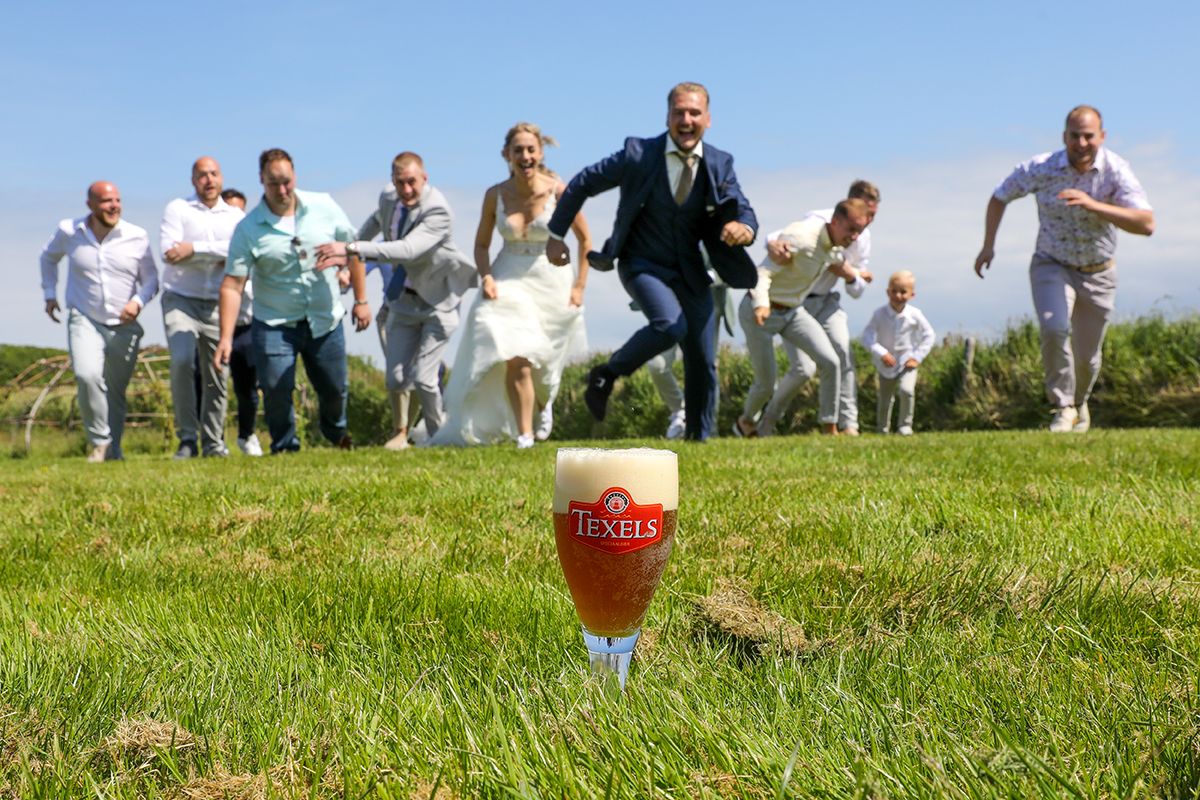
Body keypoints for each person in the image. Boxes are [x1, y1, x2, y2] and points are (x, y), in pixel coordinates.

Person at [546, 82, 758, 441]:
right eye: (679, 113)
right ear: (668, 116)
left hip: (691, 269)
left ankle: (699, 439)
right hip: (642, 264)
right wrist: (555, 235)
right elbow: (582, 182)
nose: (686, 120)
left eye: (694, 113)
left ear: (708, 119)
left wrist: (744, 229)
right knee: (670, 326)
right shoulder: (638, 154)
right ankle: (607, 373)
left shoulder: (720, 163)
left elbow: (741, 206)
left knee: (702, 359)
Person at [974, 105, 1154, 433]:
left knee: (1088, 357)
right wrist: (988, 245)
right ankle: (1062, 407)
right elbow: (999, 196)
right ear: (1064, 137)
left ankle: (1079, 401)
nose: (1082, 143)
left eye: (1089, 136)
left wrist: (1094, 205)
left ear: (1102, 136)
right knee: (1055, 328)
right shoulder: (1042, 168)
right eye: (1075, 136)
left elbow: (1146, 223)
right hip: (1051, 264)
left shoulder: (1115, 170)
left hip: (1098, 271)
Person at [431, 123, 589, 448]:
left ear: (540, 152)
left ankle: (544, 405)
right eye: (518, 150)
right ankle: (524, 435)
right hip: (508, 278)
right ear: (507, 155)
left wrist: (579, 287)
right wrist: (486, 276)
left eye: (531, 149)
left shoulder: (560, 191)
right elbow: (480, 245)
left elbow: (586, 240)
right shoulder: (495, 195)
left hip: (552, 282)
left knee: (545, 364)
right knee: (514, 351)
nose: (525, 156)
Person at [316, 152, 476, 448]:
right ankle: (411, 432)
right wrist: (348, 255)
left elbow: (407, 249)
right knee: (396, 378)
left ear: (424, 178)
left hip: (439, 300)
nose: (406, 190)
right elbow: (375, 222)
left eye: (412, 182)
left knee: (425, 377)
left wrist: (349, 246)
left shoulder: (438, 210)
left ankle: (440, 439)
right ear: (392, 181)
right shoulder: (389, 198)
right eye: (400, 183)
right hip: (403, 301)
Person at [215, 148, 370, 453]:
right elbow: (233, 285)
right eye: (274, 183)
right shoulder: (248, 229)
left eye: (287, 181)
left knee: (334, 390)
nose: (282, 190)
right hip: (274, 323)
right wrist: (225, 337)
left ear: (295, 175)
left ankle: (335, 432)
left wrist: (361, 299)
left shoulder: (324, 206)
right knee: (275, 388)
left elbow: (354, 250)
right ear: (261, 180)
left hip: (325, 318)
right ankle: (285, 446)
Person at [39, 182, 159, 462]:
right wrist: (49, 293)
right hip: (84, 316)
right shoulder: (69, 231)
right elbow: (47, 257)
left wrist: (138, 302)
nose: (114, 206)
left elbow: (152, 279)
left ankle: (113, 449)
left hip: (124, 323)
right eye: (106, 201)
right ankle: (99, 441)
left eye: (117, 200)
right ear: (90, 205)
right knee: (87, 375)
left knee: (115, 390)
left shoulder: (136, 236)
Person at [735, 199, 869, 436]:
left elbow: (836, 260)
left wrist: (858, 274)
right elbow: (762, 273)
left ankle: (830, 427)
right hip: (760, 312)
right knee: (766, 383)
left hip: (793, 312)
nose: (855, 237)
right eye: (851, 230)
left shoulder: (834, 247)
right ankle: (745, 422)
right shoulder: (801, 237)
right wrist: (761, 305)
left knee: (831, 362)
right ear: (835, 222)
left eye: (859, 231)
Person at [159, 157, 245, 458]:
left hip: (218, 302)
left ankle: (212, 442)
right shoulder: (177, 209)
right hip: (180, 298)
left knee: (217, 371)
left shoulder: (235, 216)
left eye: (213, 174)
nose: (208, 180)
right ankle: (187, 438)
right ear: (193, 180)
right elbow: (169, 253)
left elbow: (239, 254)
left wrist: (193, 248)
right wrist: (217, 252)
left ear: (221, 178)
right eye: (202, 175)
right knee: (182, 360)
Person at [861, 270, 935, 435]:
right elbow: (867, 337)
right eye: (894, 291)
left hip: (907, 362)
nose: (898, 295)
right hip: (885, 364)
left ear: (912, 294)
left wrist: (917, 357)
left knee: (906, 391)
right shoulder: (879, 314)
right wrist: (881, 353)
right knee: (885, 398)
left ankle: (905, 426)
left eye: (903, 292)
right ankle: (882, 429)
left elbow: (929, 336)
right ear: (888, 292)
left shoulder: (915, 315)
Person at [218, 188, 263, 456]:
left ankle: (247, 435)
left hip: (248, 324)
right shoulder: (218, 245)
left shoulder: (252, 242)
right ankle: (215, 439)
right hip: (218, 323)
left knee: (248, 388)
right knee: (213, 386)